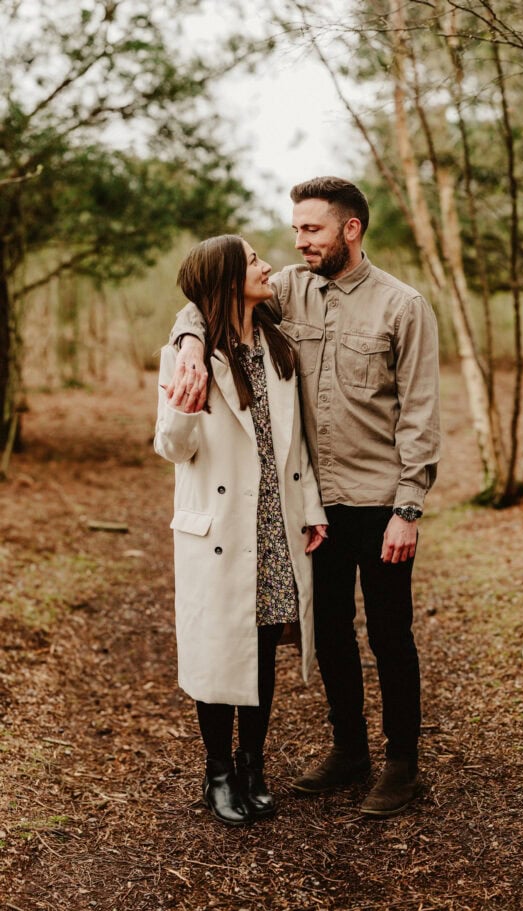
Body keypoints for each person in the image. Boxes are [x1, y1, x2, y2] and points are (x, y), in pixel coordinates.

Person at [166, 178, 441, 818]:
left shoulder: (403, 306)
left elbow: (420, 415)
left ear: (351, 229)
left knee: (391, 634)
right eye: (294, 230)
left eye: (311, 229)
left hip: (378, 499)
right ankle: (350, 751)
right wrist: (188, 348)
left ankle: (402, 764)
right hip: (311, 508)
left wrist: (407, 508)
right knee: (330, 630)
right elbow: (204, 301)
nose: (298, 242)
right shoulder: (288, 288)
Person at [154, 234, 327, 827]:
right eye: (253, 261)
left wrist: (314, 511)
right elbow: (172, 448)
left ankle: (253, 766)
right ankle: (218, 773)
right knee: (217, 650)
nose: (268, 265)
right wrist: (183, 402)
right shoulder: (187, 355)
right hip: (219, 529)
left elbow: (298, 441)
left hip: (276, 524)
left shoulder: (279, 343)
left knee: (259, 651)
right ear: (227, 278)